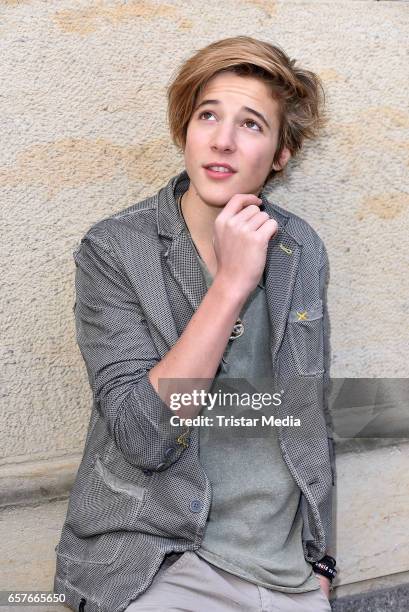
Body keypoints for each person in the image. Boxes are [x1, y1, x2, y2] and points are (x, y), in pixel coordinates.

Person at [53, 35, 337, 612]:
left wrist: (323, 559)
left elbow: (311, 411)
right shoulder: (115, 250)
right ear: (185, 128)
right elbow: (143, 437)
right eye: (208, 114)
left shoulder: (300, 248)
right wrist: (230, 286)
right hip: (162, 565)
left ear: (281, 153)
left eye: (252, 124)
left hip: (289, 574)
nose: (223, 139)